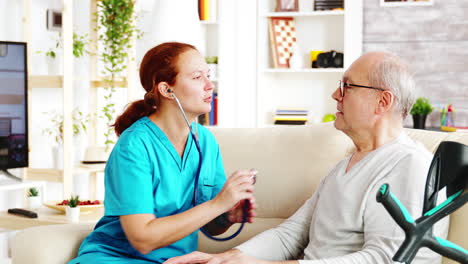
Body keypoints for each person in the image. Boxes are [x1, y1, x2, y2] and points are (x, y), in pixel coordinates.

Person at [163, 52, 450, 264]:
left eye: (347, 86)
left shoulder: (411, 165)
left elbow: (386, 259)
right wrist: (228, 258)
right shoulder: (344, 167)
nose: (335, 94)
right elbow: (291, 233)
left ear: (382, 102)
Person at [68, 42, 257, 264]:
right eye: (197, 77)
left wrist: (227, 216)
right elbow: (142, 239)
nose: (209, 85)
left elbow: (209, 224)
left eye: (209, 75)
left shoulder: (206, 142)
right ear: (167, 89)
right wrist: (218, 205)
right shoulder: (134, 146)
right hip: (117, 258)